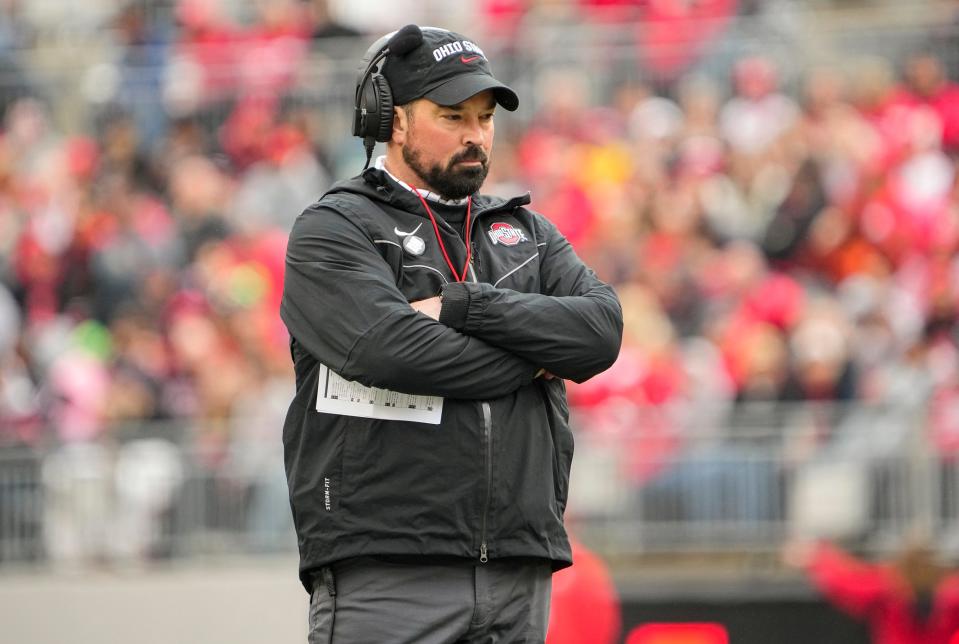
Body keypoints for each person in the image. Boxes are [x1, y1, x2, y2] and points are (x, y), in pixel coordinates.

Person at [280, 24, 623, 644]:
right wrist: (538, 355)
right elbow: (392, 351)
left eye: (485, 117)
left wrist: (466, 306)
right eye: (452, 116)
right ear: (392, 120)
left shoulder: (527, 232)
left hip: (519, 569)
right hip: (387, 570)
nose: (475, 135)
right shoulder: (332, 229)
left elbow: (600, 332)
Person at [784, 537, 959, 644]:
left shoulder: (885, 589)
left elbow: (843, 581)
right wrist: (817, 556)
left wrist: (816, 557)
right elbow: (845, 581)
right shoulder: (886, 591)